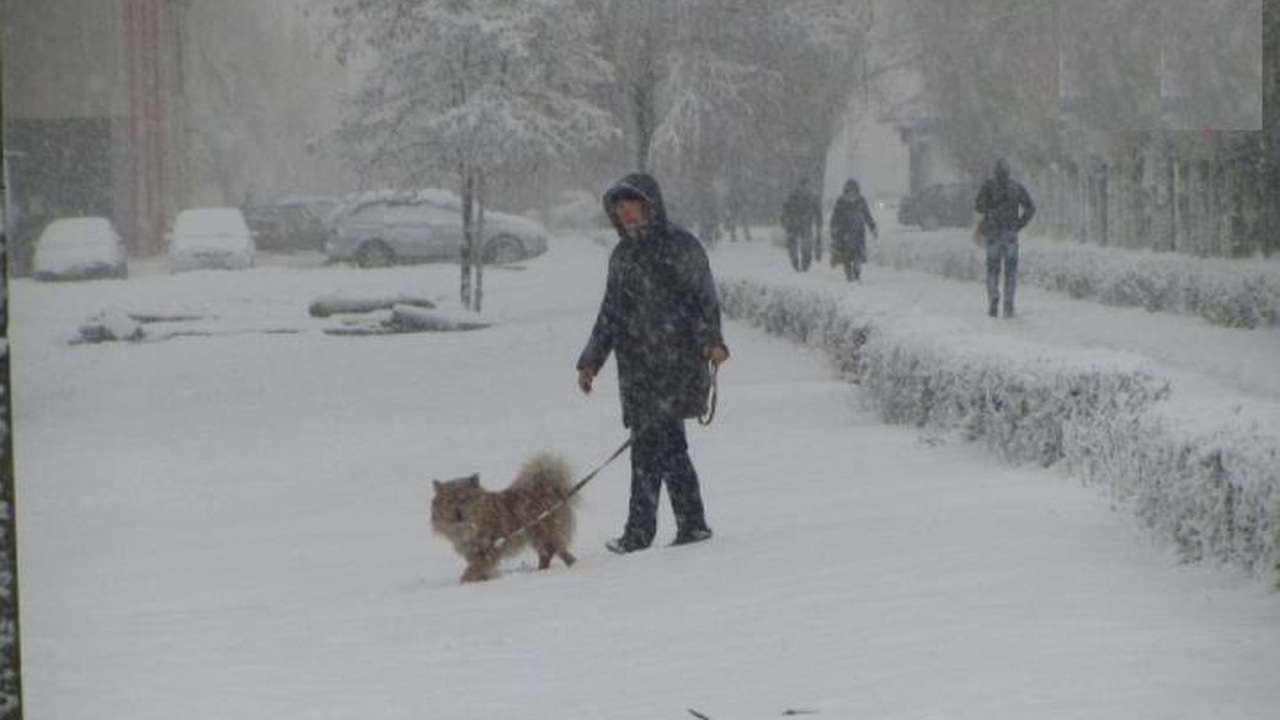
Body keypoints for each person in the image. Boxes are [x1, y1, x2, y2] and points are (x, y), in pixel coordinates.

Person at [577, 172, 730, 554]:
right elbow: (610, 313)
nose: (626, 213)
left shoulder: (681, 246)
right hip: (637, 368)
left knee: (654, 445)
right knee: (663, 445)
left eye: (633, 205)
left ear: (650, 205)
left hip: (677, 361)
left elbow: (703, 298)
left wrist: (713, 340)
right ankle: (685, 525)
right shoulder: (623, 255)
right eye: (620, 207)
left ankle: (644, 531)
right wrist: (591, 360)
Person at [975, 158, 1035, 318]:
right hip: (1010, 234)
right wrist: (1020, 223)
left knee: (992, 270)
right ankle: (1008, 305)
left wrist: (990, 208)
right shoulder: (1016, 187)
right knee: (1010, 272)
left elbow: (978, 206)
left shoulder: (988, 186)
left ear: (995, 171)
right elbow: (1030, 207)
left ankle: (993, 296)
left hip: (994, 233)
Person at [829, 179, 878, 282]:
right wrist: (834, 228)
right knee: (846, 256)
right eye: (850, 190)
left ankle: (856, 274)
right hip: (844, 233)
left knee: (858, 255)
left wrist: (872, 227)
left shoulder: (861, 201)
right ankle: (849, 274)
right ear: (846, 190)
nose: (852, 192)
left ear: (857, 190)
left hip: (858, 233)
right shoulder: (841, 201)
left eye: (854, 190)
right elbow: (835, 216)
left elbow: (867, 215)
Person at [780, 178, 823, 271]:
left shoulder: (800, 195)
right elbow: (786, 207)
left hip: (800, 223)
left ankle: (802, 262)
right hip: (799, 223)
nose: (806, 188)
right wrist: (784, 219)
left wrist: (784, 219)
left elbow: (785, 207)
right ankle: (800, 262)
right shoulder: (809, 196)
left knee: (802, 245)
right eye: (805, 185)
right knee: (800, 244)